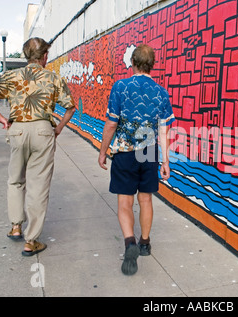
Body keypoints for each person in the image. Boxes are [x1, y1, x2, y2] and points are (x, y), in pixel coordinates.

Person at [0, 37, 76, 256]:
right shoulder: (53, 77)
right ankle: (31, 240)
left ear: (26, 55)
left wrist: (1, 118)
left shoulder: (12, 76)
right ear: (45, 56)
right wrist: (58, 128)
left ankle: (15, 226)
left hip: (18, 130)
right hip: (42, 131)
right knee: (38, 186)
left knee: (15, 179)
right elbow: (70, 107)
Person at [98, 44, 175, 275]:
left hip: (124, 152)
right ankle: (144, 243)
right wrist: (165, 161)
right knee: (146, 200)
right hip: (148, 151)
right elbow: (164, 130)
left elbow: (112, 122)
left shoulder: (120, 87)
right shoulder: (161, 92)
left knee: (125, 203)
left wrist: (103, 151)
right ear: (152, 64)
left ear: (132, 62)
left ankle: (129, 242)